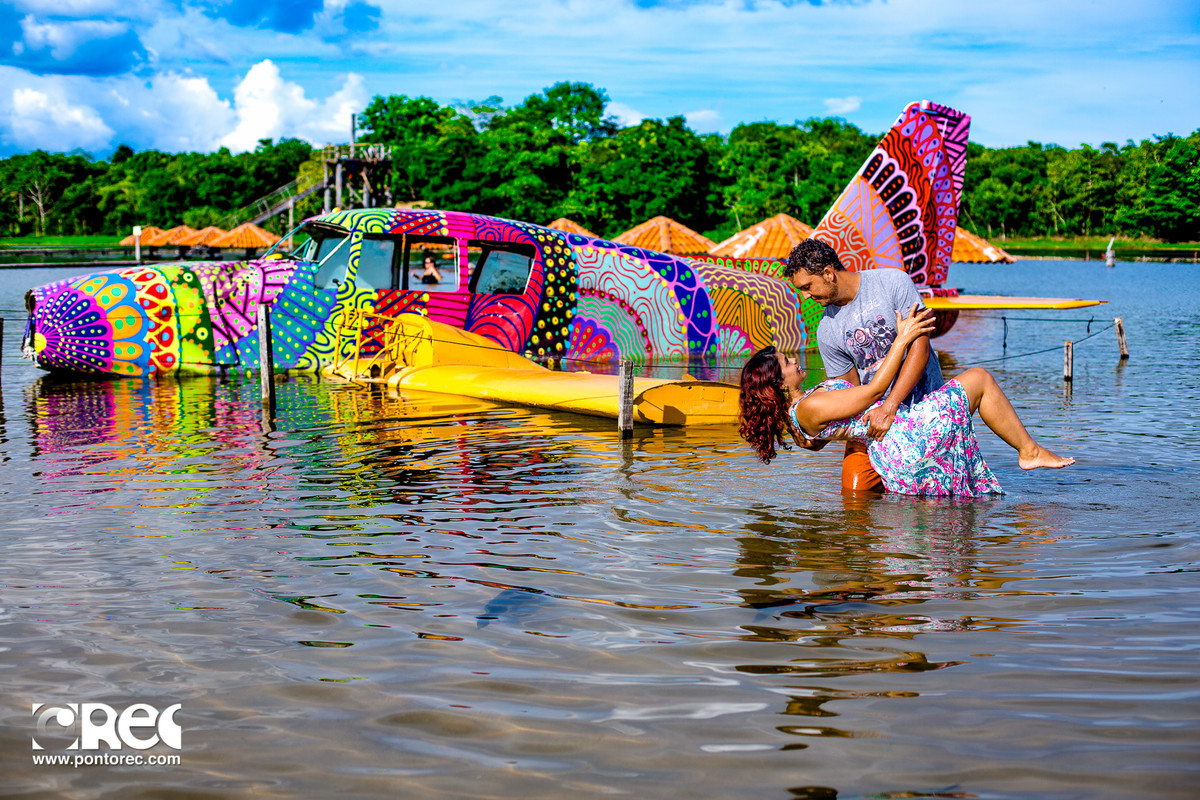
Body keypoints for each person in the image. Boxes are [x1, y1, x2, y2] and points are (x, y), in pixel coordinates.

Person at [739, 304, 1074, 496]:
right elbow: (872, 393)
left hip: (894, 448)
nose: (795, 362)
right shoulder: (808, 408)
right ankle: (1029, 452)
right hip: (903, 438)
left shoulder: (801, 414)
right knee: (979, 379)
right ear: (778, 384)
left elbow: (831, 432)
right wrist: (902, 339)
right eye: (787, 363)